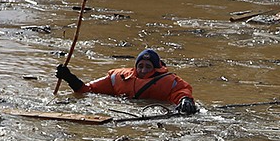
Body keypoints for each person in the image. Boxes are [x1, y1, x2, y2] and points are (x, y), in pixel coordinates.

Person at [55, 49, 197, 114]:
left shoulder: (169, 81)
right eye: (140, 66)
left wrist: (186, 100)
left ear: (156, 68)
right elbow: (86, 91)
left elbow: (182, 91)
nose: (143, 70)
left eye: (148, 67)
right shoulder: (119, 77)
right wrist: (69, 78)